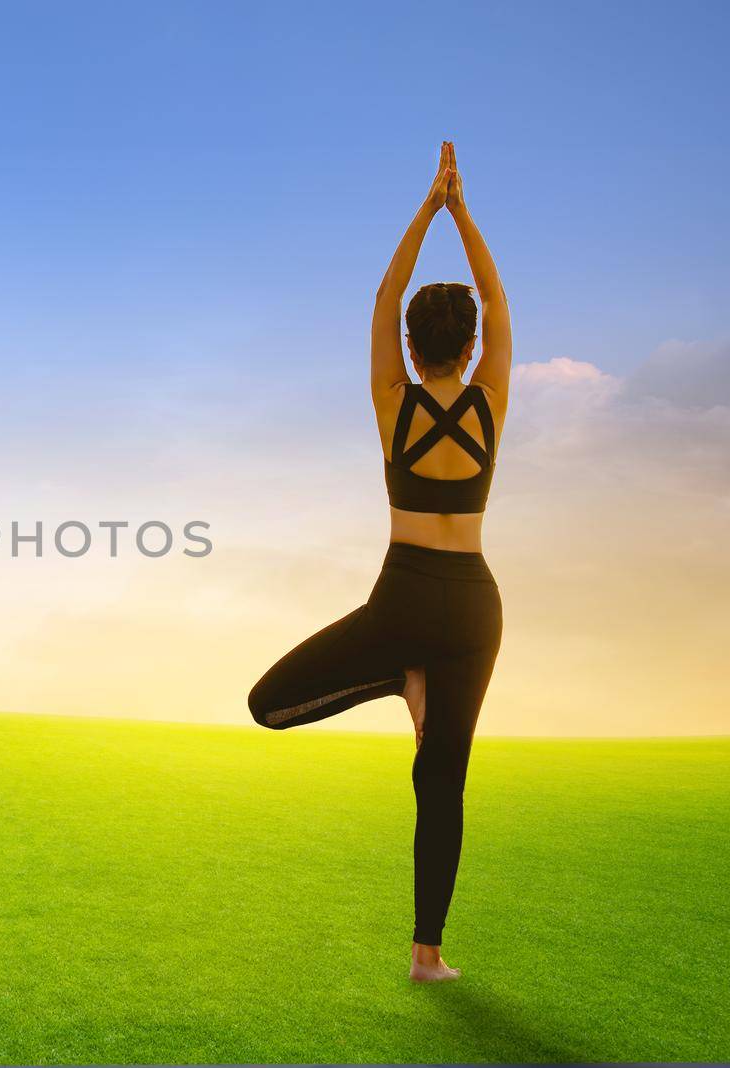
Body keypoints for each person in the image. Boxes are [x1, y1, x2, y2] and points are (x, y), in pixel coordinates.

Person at [247, 141, 510, 983]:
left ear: (409, 343)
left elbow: (385, 292)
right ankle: (427, 955)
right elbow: (499, 297)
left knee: (269, 705)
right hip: (472, 608)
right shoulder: (492, 401)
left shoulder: (391, 402)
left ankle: (398, 677)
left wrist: (427, 208)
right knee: (442, 783)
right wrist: (462, 211)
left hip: (400, 601)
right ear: (469, 349)